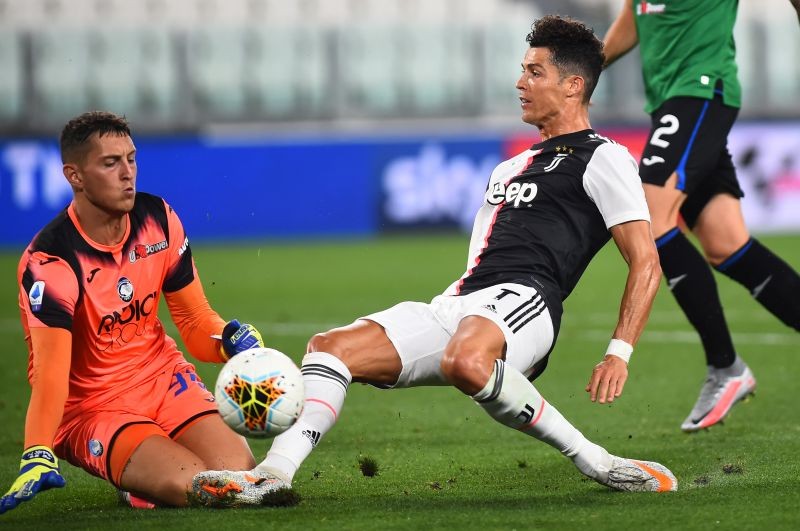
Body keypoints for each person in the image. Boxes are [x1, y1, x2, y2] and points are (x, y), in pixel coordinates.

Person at [191, 15, 677, 506]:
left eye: (535, 72)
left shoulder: (604, 157)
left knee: (466, 360)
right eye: (522, 70)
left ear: (573, 86)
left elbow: (645, 261)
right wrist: (460, 309)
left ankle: (597, 460)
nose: (519, 82)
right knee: (329, 348)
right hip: (459, 303)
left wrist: (620, 350)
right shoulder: (509, 167)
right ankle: (274, 473)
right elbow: (481, 260)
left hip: (526, 299)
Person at [0, 111, 275, 513]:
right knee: (195, 486)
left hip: (162, 379)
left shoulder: (159, 221)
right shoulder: (51, 261)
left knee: (239, 474)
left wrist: (228, 340)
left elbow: (196, 322)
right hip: (95, 407)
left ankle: (144, 476)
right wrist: (38, 449)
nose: (127, 173)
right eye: (110, 163)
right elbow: (51, 373)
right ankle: (138, 482)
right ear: (74, 176)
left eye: (131, 159)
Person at [603, 0, 800, 432]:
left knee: (650, 219)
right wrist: (584, 70)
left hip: (700, 91)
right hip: (671, 101)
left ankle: (725, 365)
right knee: (726, 244)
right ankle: (727, 368)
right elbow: (633, 21)